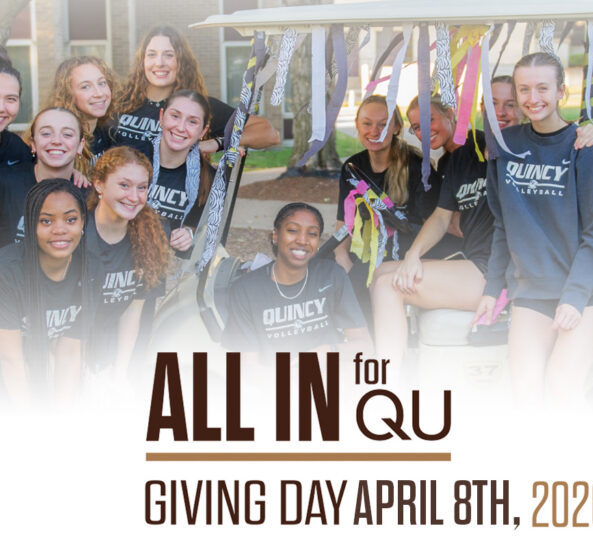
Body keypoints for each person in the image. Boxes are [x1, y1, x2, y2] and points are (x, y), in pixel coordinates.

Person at [473, 52, 593, 408]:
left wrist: (575, 294)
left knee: (561, 383)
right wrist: (493, 288)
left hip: (588, 289)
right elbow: (502, 224)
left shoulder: (583, 146)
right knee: (524, 388)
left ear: (561, 92)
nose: (533, 98)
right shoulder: (506, 147)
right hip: (534, 288)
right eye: (524, 89)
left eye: (543, 87)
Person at [372, 81, 518, 363]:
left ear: (452, 113)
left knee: (388, 285)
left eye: (429, 121)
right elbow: (441, 216)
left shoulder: (503, 151)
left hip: (496, 270)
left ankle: (388, 380)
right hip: (477, 259)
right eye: (417, 127)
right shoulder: (458, 158)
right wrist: (413, 255)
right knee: (382, 273)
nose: (424, 132)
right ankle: (398, 355)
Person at [0, 179, 88, 407]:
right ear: (29, 225)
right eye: (46, 221)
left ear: (83, 222)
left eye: (71, 219)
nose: (60, 229)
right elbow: (10, 359)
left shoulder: (90, 268)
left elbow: (69, 352)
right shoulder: (3, 268)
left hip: (35, 358)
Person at [334, 95, 437, 323]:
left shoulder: (418, 167)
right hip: (364, 257)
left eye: (383, 124)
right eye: (367, 123)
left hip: (405, 257)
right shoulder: (351, 168)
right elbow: (343, 222)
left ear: (397, 127)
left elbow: (432, 223)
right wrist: (342, 258)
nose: (375, 130)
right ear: (357, 126)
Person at [224, 203, 371, 359]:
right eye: (293, 230)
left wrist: (329, 351)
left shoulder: (331, 275)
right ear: (275, 235)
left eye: (312, 234)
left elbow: (365, 346)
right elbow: (246, 369)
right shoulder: (246, 289)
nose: (303, 240)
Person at [113, 25, 279, 157]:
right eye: (151, 54)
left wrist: (219, 142)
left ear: (181, 62)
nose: (159, 62)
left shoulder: (198, 107)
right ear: (142, 61)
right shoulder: (120, 103)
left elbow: (269, 133)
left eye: (169, 55)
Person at [85, 146, 169, 387]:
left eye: (141, 187)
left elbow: (132, 313)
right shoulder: (76, 232)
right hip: (69, 346)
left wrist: (119, 374)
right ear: (99, 185)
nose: (134, 197)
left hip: (110, 346)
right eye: (124, 185)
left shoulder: (152, 236)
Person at [0, 107, 88, 251]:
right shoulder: (3, 185)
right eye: (46, 133)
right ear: (33, 144)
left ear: (80, 145)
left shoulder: (90, 196)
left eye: (67, 134)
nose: (56, 141)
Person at [146, 90, 217, 255]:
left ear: (203, 131)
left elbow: (199, 228)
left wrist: (189, 234)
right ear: (161, 117)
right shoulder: (134, 159)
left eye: (192, 122)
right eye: (175, 116)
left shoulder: (206, 179)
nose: (181, 127)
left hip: (169, 266)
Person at [46, 56, 119, 164]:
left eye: (102, 83)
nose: (99, 93)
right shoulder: (59, 140)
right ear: (68, 94)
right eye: (85, 87)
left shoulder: (108, 133)